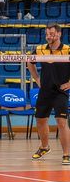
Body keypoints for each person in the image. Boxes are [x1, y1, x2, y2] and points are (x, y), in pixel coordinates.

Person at [27, 23, 70, 165]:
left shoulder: (67, 50)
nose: (48, 36)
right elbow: (29, 62)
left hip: (60, 91)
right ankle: (44, 147)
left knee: (61, 122)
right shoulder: (40, 49)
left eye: (51, 34)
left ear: (59, 34)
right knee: (40, 120)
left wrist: (69, 83)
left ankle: (66, 154)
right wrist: (37, 79)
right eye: (47, 34)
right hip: (45, 90)